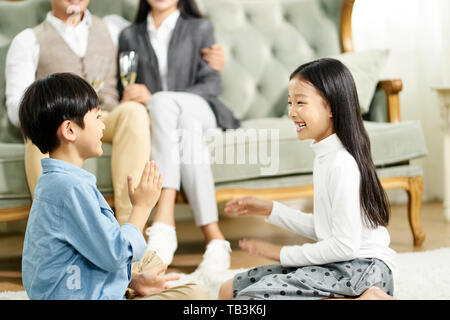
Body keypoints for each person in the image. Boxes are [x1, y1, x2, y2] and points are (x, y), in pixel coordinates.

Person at [5, 0, 226, 226]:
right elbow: (18, 108)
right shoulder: (28, 40)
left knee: (134, 112)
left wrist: (213, 56)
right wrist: (57, 108)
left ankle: (131, 235)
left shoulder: (115, 28)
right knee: (38, 126)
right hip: (62, 120)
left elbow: (157, 38)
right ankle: (54, 230)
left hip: (107, 116)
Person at [19, 73, 210, 300]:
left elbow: (88, 251)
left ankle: (130, 284)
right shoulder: (72, 189)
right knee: (197, 294)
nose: (103, 125)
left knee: (148, 260)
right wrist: (142, 207)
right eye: (97, 117)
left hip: (77, 284)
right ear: (70, 130)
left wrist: (132, 280)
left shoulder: (54, 182)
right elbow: (115, 254)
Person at [218, 58, 397, 300]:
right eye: (290, 102)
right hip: (338, 265)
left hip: (361, 269)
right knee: (228, 290)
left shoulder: (341, 164)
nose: (291, 112)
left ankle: (369, 296)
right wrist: (271, 209)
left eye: (300, 102)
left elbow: (345, 245)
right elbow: (328, 229)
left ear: (332, 107)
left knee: (249, 300)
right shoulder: (325, 155)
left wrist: (280, 253)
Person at [118, 0, 240, 271]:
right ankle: (215, 239)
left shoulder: (200, 27)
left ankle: (163, 221)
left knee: (167, 105)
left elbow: (211, 84)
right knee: (186, 131)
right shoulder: (129, 35)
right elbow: (123, 83)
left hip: (202, 109)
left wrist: (157, 99)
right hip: (171, 123)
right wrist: (132, 97)